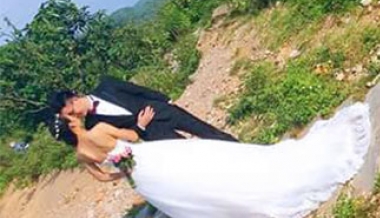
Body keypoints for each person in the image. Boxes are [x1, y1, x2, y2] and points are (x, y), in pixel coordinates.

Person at [51, 102, 371, 218]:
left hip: (137, 177)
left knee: (186, 191)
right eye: (70, 117)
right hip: (146, 159)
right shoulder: (99, 130)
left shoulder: (81, 154)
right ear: (70, 123)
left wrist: (123, 171)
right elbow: (133, 136)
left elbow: (105, 177)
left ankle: (222, 210)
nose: (74, 116)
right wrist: (134, 137)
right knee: (203, 165)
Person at [48, 76, 238, 143]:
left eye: (72, 111)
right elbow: (124, 138)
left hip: (162, 111)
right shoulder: (93, 124)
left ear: (72, 98)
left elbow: (137, 90)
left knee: (206, 131)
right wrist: (140, 125)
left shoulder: (106, 85)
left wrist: (166, 100)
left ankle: (241, 151)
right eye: (71, 117)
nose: (76, 115)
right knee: (188, 152)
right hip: (151, 133)